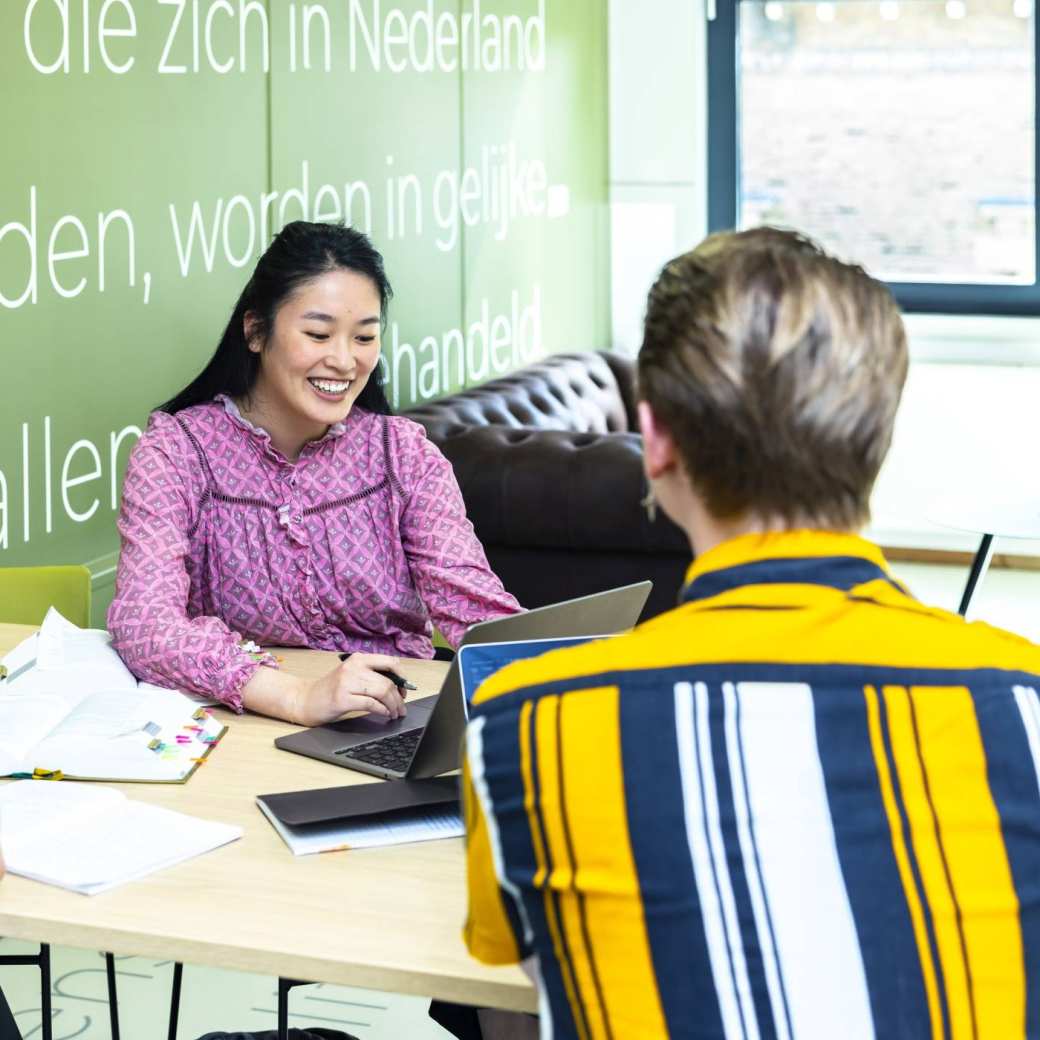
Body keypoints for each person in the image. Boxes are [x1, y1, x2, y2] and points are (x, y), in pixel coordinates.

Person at [460, 228, 1040, 1037]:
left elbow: (530, 990)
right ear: (877, 438)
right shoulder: (1025, 700)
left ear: (654, 440)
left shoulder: (524, 720)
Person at [109, 221, 519, 724]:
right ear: (256, 331)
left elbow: (474, 608)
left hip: (391, 715)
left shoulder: (403, 454)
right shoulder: (176, 452)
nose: (345, 360)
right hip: (247, 724)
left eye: (365, 336)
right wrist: (297, 697)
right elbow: (144, 624)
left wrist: (588, 668)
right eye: (318, 334)